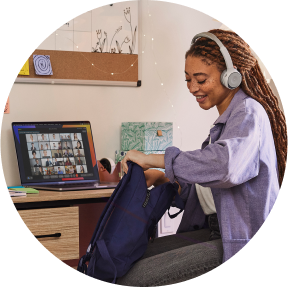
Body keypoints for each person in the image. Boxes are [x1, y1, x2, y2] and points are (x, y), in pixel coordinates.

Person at [118, 29, 286, 283]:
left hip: (236, 238)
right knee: (129, 261)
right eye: (188, 79)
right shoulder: (226, 122)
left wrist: (154, 158)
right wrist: (164, 179)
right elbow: (209, 190)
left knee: (136, 279)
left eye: (200, 79)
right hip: (213, 229)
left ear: (231, 77)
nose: (192, 88)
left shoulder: (249, 113)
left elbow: (224, 166)